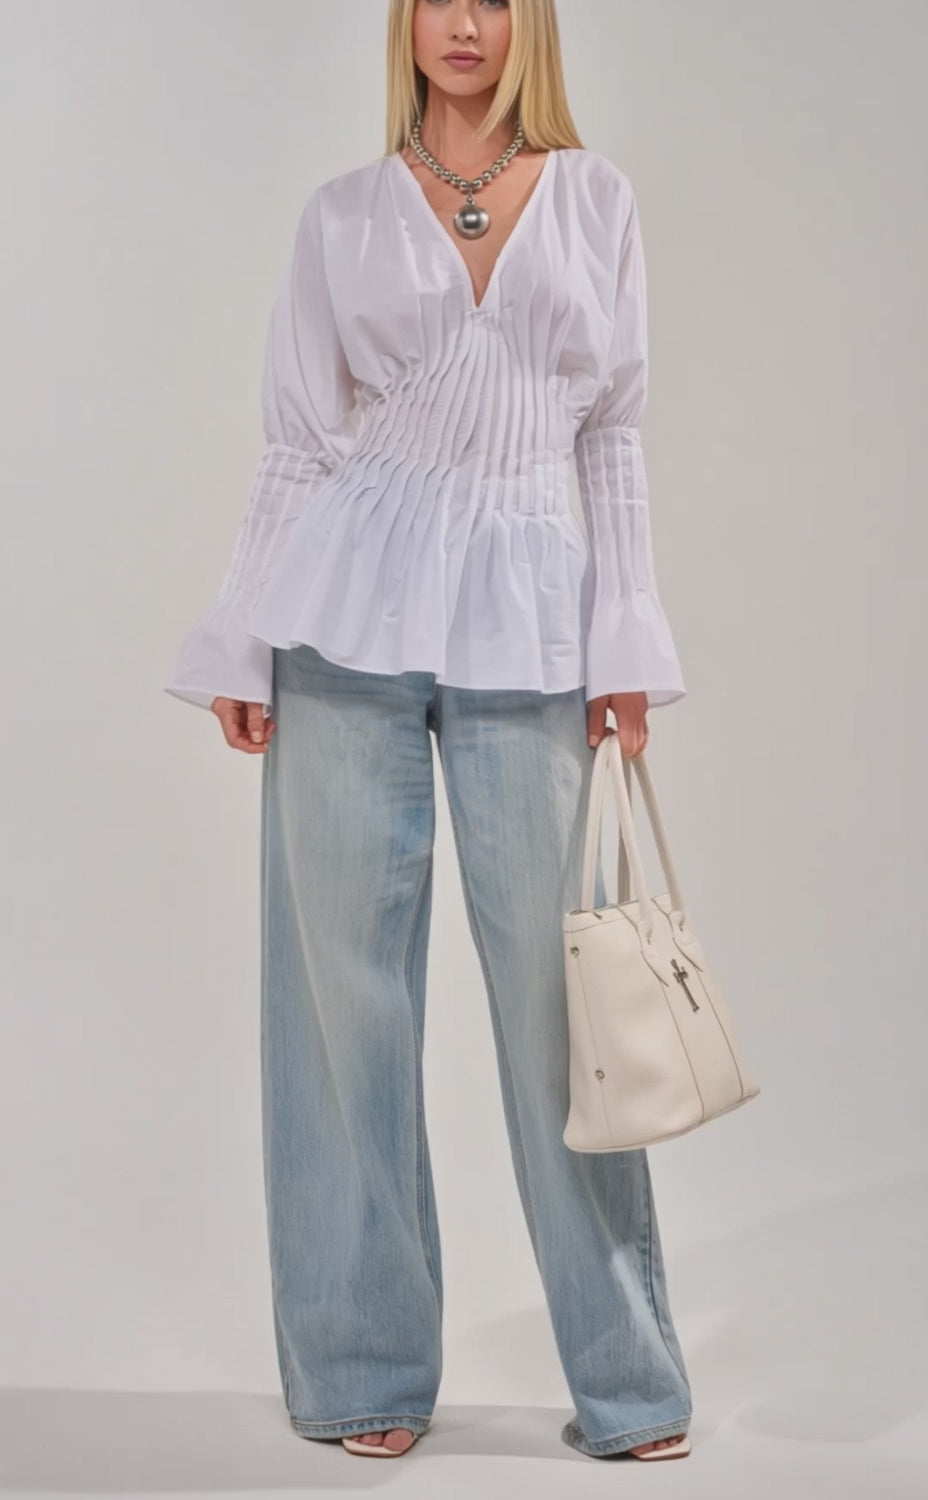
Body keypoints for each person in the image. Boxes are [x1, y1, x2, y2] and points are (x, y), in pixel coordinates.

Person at [164, 0, 692, 1466]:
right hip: (342, 628)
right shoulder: (341, 214)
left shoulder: (594, 198)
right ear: (402, 19)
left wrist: (626, 638)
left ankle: (631, 1382)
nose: (466, 23)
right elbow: (297, 444)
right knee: (344, 1008)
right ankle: (363, 1369)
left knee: (559, 1004)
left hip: (533, 627)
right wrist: (245, 634)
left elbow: (613, 435)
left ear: (534, 21)